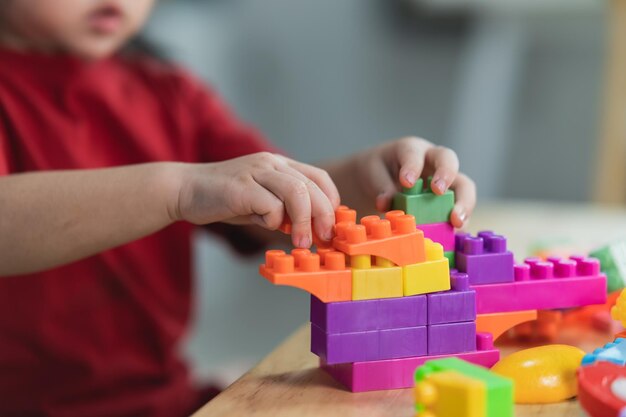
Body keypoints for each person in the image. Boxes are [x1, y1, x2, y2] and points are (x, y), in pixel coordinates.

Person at [0, 1, 476, 416]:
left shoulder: (170, 93)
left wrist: (373, 179)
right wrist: (178, 189)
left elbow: (272, 207)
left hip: (163, 400)